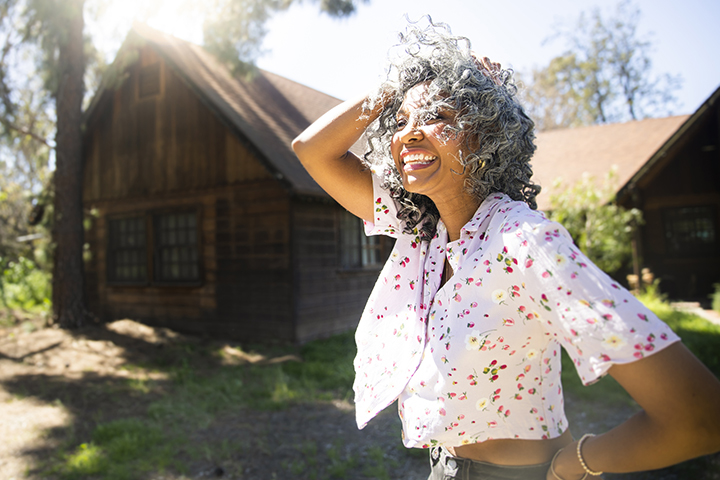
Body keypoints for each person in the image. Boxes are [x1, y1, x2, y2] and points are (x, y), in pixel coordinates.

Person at [292, 19, 720, 480]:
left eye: (436, 116)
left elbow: (700, 417)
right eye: (401, 122)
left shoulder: (524, 243)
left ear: (485, 136)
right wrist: (404, 80)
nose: (408, 134)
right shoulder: (422, 231)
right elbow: (311, 149)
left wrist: (574, 467)